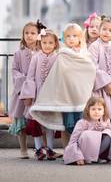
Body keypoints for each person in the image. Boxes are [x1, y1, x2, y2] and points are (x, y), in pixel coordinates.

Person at [30, 23, 96, 147]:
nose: (71, 39)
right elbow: (57, 74)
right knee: (67, 125)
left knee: (82, 123)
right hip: (66, 96)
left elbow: (90, 70)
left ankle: (81, 149)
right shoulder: (62, 54)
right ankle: (67, 150)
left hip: (80, 95)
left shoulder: (85, 55)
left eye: (75, 36)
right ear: (63, 39)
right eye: (68, 36)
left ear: (80, 38)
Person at [20, 26, 61, 160]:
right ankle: (38, 149)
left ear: (55, 44)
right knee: (36, 122)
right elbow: (30, 77)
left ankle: (49, 148)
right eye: (44, 43)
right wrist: (29, 95)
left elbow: (60, 78)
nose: (47, 45)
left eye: (50, 43)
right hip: (37, 96)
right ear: (40, 43)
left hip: (51, 96)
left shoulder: (58, 58)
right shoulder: (36, 57)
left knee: (49, 123)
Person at [8, 21, 38, 159]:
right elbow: (14, 70)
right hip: (21, 93)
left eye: (33, 33)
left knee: (37, 120)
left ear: (38, 35)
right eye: (27, 33)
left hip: (37, 92)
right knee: (21, 121)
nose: (29, 36)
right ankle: (23, 149)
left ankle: (41, 148)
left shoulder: (40, 53)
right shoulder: (18, 53)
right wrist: (25, 82)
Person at [63, 96, 111, 165]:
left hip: (101, 150)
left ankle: (100, 157)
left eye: (99, 109)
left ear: (104, 111)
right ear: (88, 110)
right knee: (86, 134)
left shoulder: (106, 121)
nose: (96, 112)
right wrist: (77, 157)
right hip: (85, 151)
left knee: (109, 132)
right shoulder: (82, 122)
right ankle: (86, 158)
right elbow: (73, 140)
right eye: (93, 109)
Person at [89, 16, 111, 121]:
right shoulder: (94, 46)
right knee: (99, 113)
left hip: (110, 87)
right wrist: (107, 83)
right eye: (104, 29)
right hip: (100, 87)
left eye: (110, 30)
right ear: (99, 30)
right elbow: (93, 67)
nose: (106, 32)